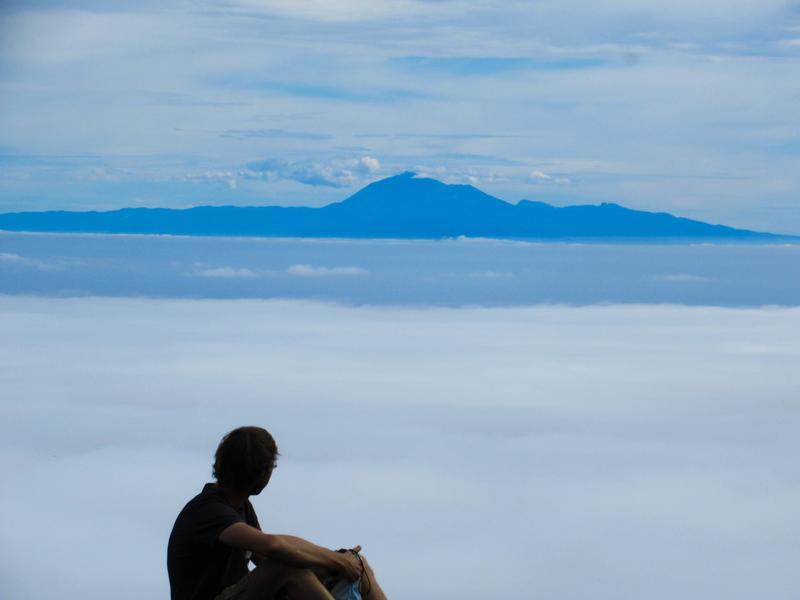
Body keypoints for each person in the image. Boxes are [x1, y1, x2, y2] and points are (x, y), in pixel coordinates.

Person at [167, 426, 388, 600]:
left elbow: (266, 555)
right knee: (285, 566)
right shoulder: (208, 511)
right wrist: (336, 562)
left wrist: (343, 562)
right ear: (261, 473)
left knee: (357, 564)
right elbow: (273, 547)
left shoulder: (240, 506)